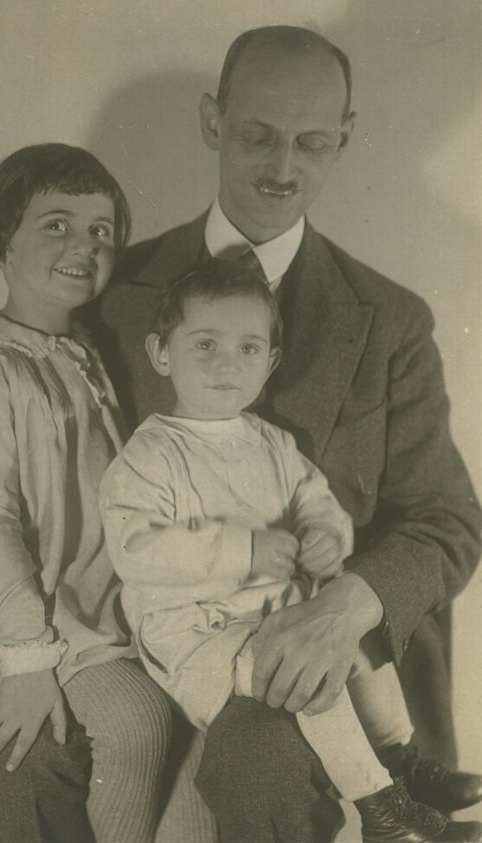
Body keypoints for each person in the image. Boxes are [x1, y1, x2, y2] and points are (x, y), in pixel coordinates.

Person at [0, 25, 481, 843]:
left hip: (295, 643)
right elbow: (21, 402)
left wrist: (347, 602)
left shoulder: (388, 319)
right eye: (258, 135)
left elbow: (448, 520)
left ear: (346, 137)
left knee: (256, 754)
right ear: (213, 121)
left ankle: (388, 792)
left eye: (312, 142)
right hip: (141, 634)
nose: (282, 166)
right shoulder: (111, 285)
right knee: (19, 754)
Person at [99, 259, 482, 842]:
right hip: (201, 636)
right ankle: (379, 810)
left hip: (279, 615)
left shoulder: (270, 442)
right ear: (161, 353)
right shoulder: (150, 455)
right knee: (307, 673)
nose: (227, 363)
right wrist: (246, 551)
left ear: (271, 362)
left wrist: (328, 536)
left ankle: (401, 763)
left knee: (358, 642)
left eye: (248, 348)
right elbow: (136, 550)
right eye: (205, 344)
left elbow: (315, 500)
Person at [0, 143, 173, 843]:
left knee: (186, 783)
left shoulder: (81, 350)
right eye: (56, 225)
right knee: (136, 719)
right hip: (35, 629)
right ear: (3, 238)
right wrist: (30, 659)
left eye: (101, 230)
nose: (84, 245)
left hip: (99, 612)